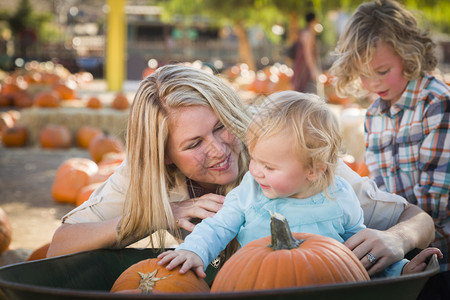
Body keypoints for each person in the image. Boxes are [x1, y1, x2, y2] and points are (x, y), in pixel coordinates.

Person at [47, 64, 434, 278]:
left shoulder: (282, 145)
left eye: (220, 128)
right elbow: (59, 245)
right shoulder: (144, 173)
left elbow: (414, 218)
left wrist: (399, 240)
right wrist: (154, 216)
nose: (219, 150)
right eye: (194, 144)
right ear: (165, 156)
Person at [158, 91, 442, 278]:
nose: (255, 170)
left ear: (314, 169)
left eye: (269, 166)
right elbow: (218, 227)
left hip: (327, 289)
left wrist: (400, 270)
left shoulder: (339, 194)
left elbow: (359, 249)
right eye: (254, 158)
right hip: (257, 285)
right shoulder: (251, 191)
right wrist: (193, 251)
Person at [329, 0, 449, 273]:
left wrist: (393, 240)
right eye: (363, 75)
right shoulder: (374, 115)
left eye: (382, 72)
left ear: (409, 55)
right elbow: (382, 198)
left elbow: (433, 212)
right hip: (395, 245)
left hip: (438, 254)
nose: (373, 84)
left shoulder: (438, 105)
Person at [291, 12, 320, 93]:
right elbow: (308, 53)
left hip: (301, 64)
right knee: (306, 89)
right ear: (313, 20)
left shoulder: (303, 32)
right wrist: (313, 69)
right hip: (305, 66)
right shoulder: (309, 34)